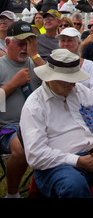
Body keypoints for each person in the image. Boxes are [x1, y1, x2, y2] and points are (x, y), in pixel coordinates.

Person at [19, 48, 93, 198]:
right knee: (74, 186)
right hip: (57, 164)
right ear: (49, 78)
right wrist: (77, 161)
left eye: (74, 80)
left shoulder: (82, 91)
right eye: (67, 81)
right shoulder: (34, 105)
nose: (72, 85)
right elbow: (36, 155)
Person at [0, 20, 42, 198]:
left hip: (36, 124)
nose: (25, 48)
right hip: (7, 127)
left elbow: (56, 82)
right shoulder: (1, 66)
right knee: (22, 147)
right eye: (20, 43)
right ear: (8, 43)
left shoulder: (33, 64)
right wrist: (12, 84)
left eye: (28, 43)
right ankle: (12, 194)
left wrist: (36, 56)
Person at [57, 27, 93, 100]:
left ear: (78, 43)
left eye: (69, 40)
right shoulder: (55, 64)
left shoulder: (89, 65)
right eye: (63, 41)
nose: (66, 44)